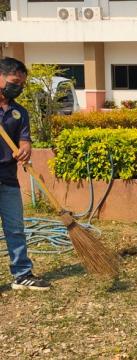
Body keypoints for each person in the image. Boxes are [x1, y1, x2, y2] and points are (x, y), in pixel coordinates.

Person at [0, 57, 50, 290]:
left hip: (8, 179)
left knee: (15, 228)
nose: (17, 87)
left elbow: (24, 140)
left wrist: (25, 148)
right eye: (13, 82)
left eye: (21, 84)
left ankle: (22, 274)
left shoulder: (19, 112)